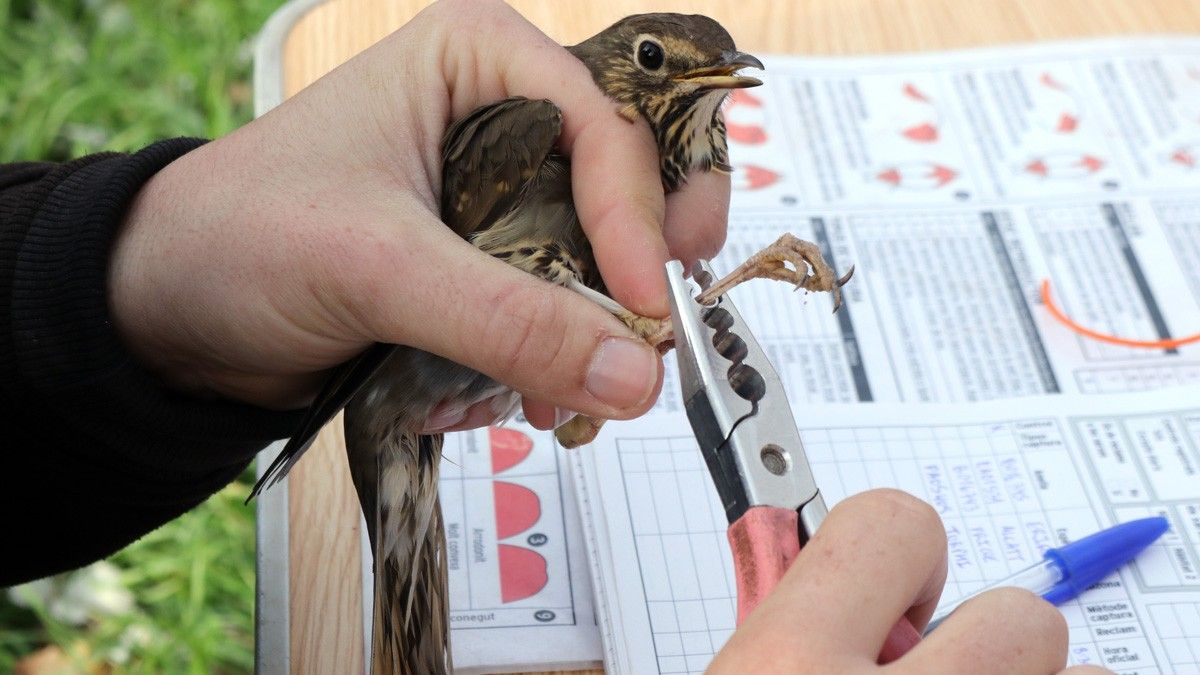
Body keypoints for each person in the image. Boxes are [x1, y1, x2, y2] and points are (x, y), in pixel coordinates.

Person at [0, 1, 1105, 671]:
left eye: (708, 77)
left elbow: (563, 306)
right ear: (621, 72)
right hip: (391, 392)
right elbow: (503, 298)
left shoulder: (646, 161)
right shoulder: (532, 132)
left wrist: (121, 292)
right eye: (662, 68)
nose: (697, 91)